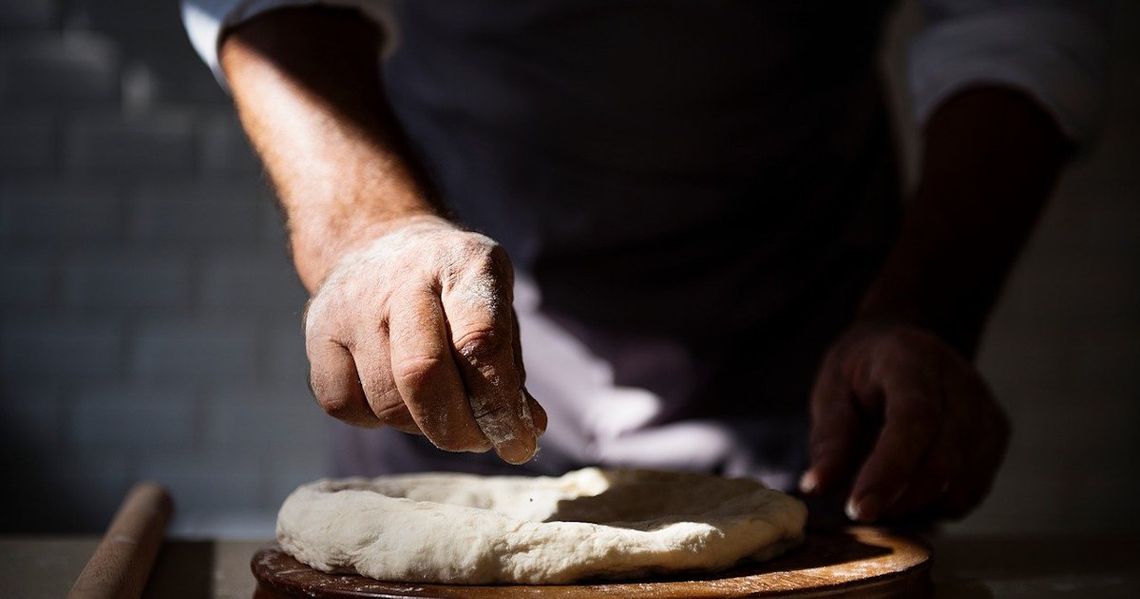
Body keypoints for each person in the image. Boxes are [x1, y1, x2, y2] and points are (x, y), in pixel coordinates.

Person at [182, 0, 1108, 523]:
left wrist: (923, 313)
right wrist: (367, 232)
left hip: (810, 342)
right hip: (443, 316)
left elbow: (1015, 22)